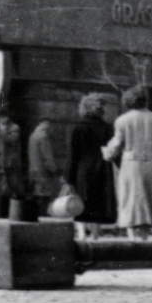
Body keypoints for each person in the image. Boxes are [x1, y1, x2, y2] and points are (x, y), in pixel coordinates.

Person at [102, 86, 152, 239]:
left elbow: (115, 146)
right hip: (151, 165)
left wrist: (107, 152)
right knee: (148, 202)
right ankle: (144, 238)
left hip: (130, 166)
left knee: (130, 201)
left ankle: (131, 238)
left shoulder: (122, 120)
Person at [65, 94, 115, 237]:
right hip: (103, 170)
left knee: (81, 202)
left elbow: (72, 154)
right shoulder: (107, 128)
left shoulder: (77, 127)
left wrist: (68, 178)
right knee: (99, 202)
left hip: (82, 170)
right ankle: (95, 234)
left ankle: (81, 234)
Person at [27, 119, 59, 221]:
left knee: (36, 196)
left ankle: (35, 217)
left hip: (33, 170)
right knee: (44, 197)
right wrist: (55, 170)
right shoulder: (43, 137)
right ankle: (43, 218)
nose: (49, 127)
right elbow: (47, 157)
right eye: (48, 124)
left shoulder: (33, 136)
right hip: (43, 172)